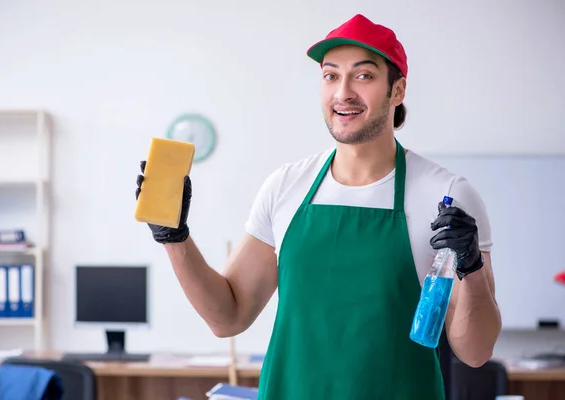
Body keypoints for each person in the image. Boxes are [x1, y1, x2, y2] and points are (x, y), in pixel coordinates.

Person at [135, 13, 501, 400]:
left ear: (398, 91)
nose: (343, 92)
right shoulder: (286, 186)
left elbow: (475, 352)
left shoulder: (446, 195)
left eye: (363, 76)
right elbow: (227, 316)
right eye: (330, 76)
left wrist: (471, 268)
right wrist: (174, 238)